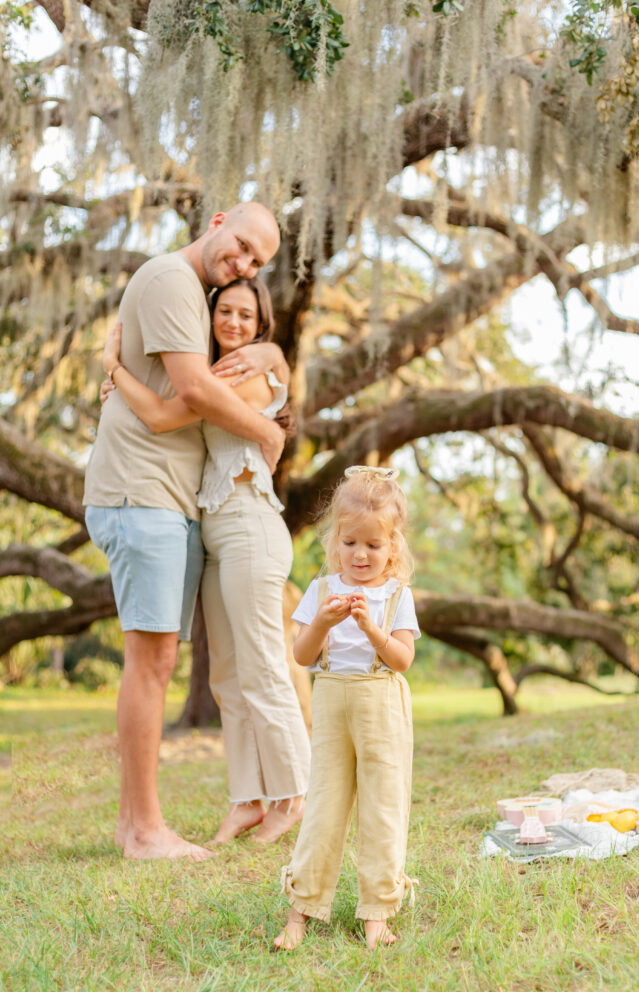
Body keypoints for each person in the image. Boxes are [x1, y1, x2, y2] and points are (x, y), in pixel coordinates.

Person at [83, 202, 284, 861]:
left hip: (172, 501)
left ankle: (138, 824)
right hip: (141, 494)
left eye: (258, 262)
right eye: (243, 246)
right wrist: (266, 429)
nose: (245, 263)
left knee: (163, 658)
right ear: (219, 218)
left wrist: (268, 349)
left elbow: (215, 374)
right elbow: (191, 394)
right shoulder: (173, 280)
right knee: (153, 660)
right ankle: (142, 830)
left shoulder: (198, 296)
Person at [274, 466, 420, 951]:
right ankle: (302, 908)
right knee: (324, 805)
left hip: (381, 703)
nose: (361, 554)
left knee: (383, 806)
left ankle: (377, 911)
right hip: (334, 701)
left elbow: (401, 659)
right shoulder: (320, 593)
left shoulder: (397, 596)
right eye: (350, 543)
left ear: (392, 548)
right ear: (335, 542)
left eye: (373, 546)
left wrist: (372, 629)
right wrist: (322, 621)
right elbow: (302, 655)